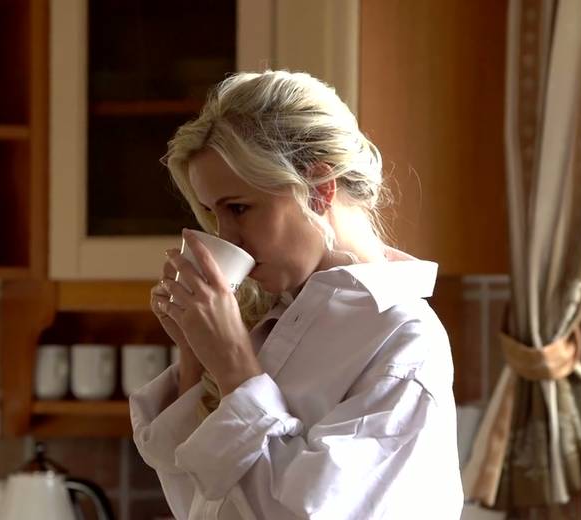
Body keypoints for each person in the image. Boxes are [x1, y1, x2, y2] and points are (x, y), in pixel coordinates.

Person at [130, 70, 463, 519]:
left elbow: (307, 512)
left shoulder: (403, 340)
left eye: (239, 208)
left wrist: (233, 365)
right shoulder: (270, 320)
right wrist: (196, 354)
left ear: (319, 190)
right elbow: (200, 500)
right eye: (212, 213)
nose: (227, 237)